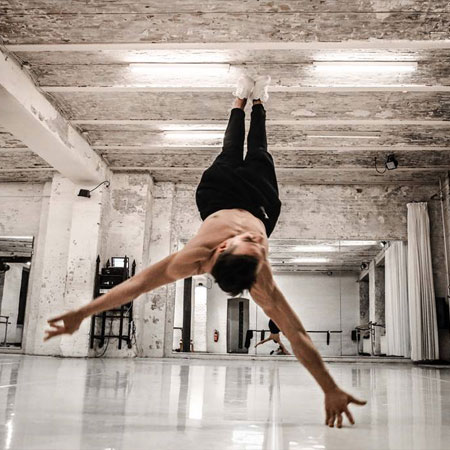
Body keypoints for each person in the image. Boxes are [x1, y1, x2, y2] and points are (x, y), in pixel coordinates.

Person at [45, 75, 366, 428]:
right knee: (259, 152)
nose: (260, 243)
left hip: (216, 195)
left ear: (224, 246)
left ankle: (239, 99)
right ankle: (260, 102)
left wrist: (82, 311)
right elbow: (299, 335)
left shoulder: (193, 256)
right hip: (260, 203)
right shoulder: (262, 279)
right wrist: (329, 387)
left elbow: (136, 285)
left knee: (229, 150)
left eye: (253, 242)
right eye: (261, 249)